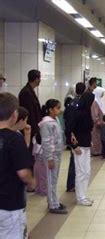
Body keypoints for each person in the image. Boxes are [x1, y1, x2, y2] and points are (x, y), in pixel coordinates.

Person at [0, 92, 35, 238]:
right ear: (14, 115)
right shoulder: (14, 138)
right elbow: (23, 173)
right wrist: (32, 182)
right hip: (10, 203)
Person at [38, 99, 67, 214]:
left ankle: (54, 201)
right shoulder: (46, 123)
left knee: (54, 179)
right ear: (50, 109)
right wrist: (49, 158)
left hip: (57, 153)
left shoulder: (55, 120)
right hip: (52, 155)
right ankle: (53, 205)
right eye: (57, 108)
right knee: (51, 180)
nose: (60, 111)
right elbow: (46, 142)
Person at [70, 91, 95, 206]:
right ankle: (80, 198)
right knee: (80, 172)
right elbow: (69, 130)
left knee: (87, 172)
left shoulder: (87, 112)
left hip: (86, 145)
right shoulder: (77, 113)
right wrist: (75, 146)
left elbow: (87, 130)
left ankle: (84, 195)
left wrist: (89, 141)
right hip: (79, 147)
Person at [63, 82, 86, 193]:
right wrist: (71, 136)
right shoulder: (76, 104)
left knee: (75, 160)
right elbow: (71, 123)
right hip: (75, 137)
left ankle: (73, 183)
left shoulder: (72, 103)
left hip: (74, 135)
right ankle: (71, 184)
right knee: (74, 161)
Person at [18, 69, 42, 173]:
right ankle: (29, 178)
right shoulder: (26, 92)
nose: (40, 80)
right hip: (29, 129)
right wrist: (33, 129)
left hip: (34, 128)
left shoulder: (30, 91)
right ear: (36, 79)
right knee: (29, 153)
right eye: (39, 78)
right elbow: (28, 114)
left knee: (33, 153)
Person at [91, 87, 105, 156]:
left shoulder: (99, 101)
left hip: (100, 123)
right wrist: (98, 122)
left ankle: (98, 150)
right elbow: (95, 114)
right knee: (95, 137)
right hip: (96, 124)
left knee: (98, 137)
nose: (103, 94)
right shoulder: (95, 102)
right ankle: (95, 151)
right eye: (102, 93)